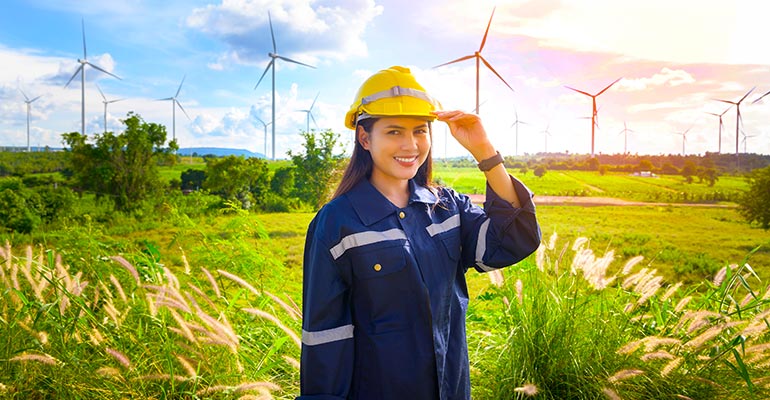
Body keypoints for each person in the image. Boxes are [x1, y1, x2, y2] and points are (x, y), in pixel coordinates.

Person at [298, 66, 541, 400]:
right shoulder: (337, 223)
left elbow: (514, 240)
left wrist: (485, 152)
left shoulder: (447, 207)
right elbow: (325, 336)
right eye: (394, 132)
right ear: (365, 138)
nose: (410, 145)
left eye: (420, 131)